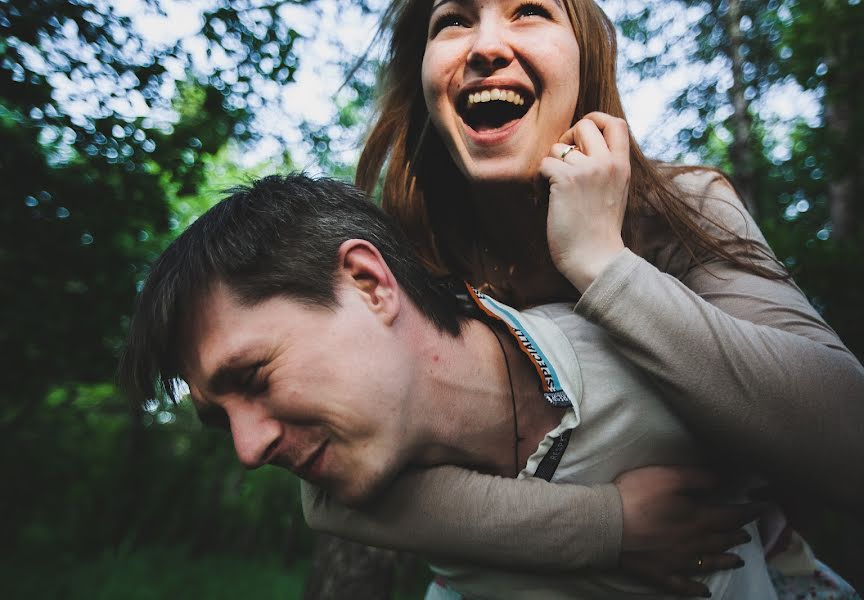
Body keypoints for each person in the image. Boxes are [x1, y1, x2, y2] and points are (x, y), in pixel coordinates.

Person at [302, 0, 864, 597]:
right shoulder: (398, 263)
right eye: (453, 21)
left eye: (529, 10)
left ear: (588, 60)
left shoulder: (684, 209)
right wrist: (605, 526)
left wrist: (602, 264)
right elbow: (327, 489)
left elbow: (857, 453)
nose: (484, 46)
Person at [120, 173, 775, 599]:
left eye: (254, 377)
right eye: (220, 416)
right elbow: (322, 509)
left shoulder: (649, 360)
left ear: (370, 283)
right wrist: (609, 524)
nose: (247, 449)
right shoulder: (425, 542)